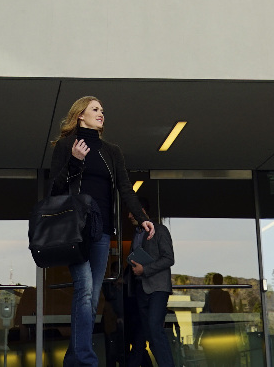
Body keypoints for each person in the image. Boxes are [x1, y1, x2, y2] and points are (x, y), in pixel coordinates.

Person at [50, 96, 154, 367]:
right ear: (80, 115)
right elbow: (55, 190)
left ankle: (74, 358)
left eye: (102, 110)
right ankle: (85, 359)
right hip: (76, 230)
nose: (101, 113)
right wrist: (75, 161)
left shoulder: (111, 151)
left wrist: (141, 217)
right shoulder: (66, 146)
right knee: (85, 290)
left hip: (102, 231)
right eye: (95, 109)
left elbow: (125, 188)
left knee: (92, 295)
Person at [126, 203, 175, 367]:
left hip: (158, 288)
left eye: (131, 212)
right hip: (141, 289)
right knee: (149, 333)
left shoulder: (160, 230)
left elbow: (169, 258)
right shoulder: (136, 234)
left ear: (142, 211)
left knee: (155, 328)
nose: (129, 216)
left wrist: (144, 269)